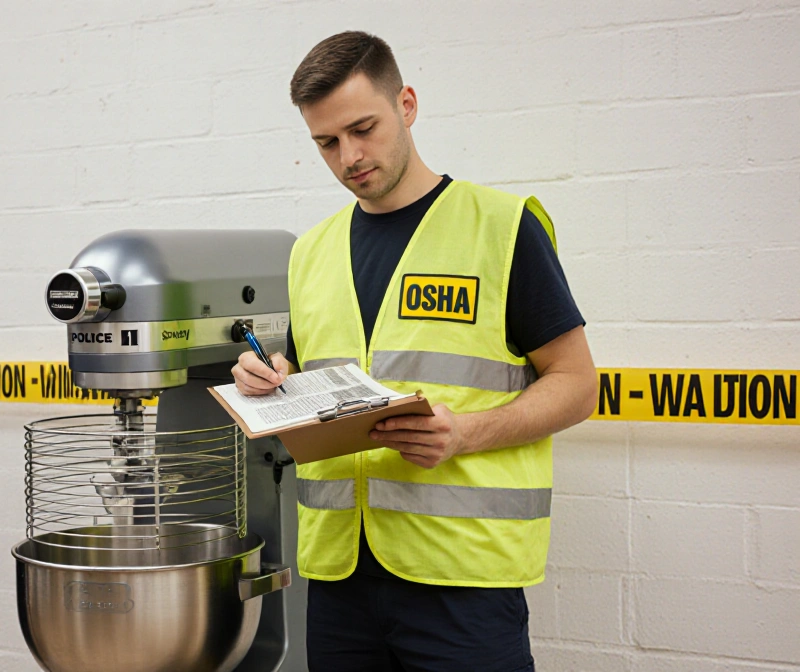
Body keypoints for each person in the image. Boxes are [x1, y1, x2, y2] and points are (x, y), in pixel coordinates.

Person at [232, 32, 598, 671]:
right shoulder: (309, 252)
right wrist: (269, 380)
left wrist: (468, 433)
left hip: (463, 582)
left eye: (363, 128)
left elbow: (577, 384)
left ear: (406, 104)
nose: (350, 156)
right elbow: (313, 386)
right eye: (326, 142)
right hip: (340, 580)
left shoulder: (502, 228)